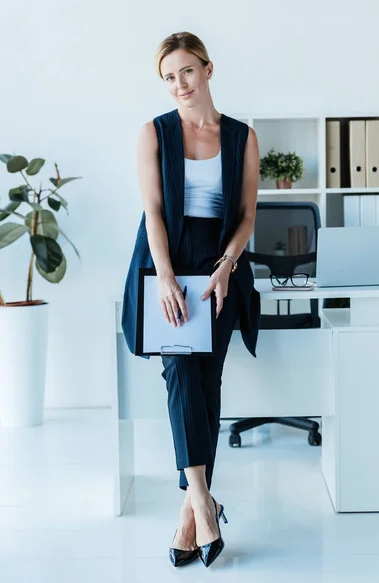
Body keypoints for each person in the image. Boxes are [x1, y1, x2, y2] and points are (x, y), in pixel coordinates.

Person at [121, 31, 260, 568]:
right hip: (168, 259)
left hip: (221, 263)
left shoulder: (242, 136)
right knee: (179, 372)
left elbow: (247, 215)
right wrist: (162, 276)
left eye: (186, 72)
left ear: (207, 69)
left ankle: (189, 510)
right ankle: (203, 503)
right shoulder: (155, 133)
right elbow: (154, 211)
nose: (178, 85)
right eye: (168, 77)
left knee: (206, 379)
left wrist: (227, 265)